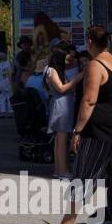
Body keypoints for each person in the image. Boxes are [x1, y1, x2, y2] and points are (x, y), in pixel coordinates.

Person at [44, 25, 112, 224]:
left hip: (100, 131)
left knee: (83, 176)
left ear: (89, 41)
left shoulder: (95, 65)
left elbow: (89, 100)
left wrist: (78, 130)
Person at [44, 47, 82, 176]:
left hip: (62, 105)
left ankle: (58, 169)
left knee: (59, 140)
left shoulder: (56, 70)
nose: (68, 62)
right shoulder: (52, 70)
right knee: (61, 139)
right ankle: (62, 171)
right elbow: (61, 88)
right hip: (62, 106)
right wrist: (77, 79)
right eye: (66, 59)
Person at [0, 51, 13, 116]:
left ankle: (3, 112)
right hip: (8, 82)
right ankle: (10, 111)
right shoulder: (8, 63)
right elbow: (11, 73)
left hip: (1, 84)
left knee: (2, 98)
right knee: (9, 97)